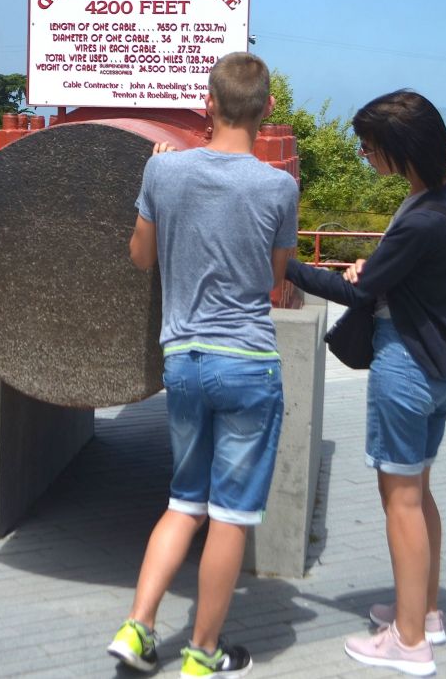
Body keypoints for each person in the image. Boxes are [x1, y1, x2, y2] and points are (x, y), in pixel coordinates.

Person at [107, 52, 298, 679]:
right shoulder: (278, 186)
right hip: (246, 361)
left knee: (183, 502)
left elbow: (140, 259)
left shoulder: (164, 174)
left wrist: (155, 187)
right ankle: (202, 653)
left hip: (182, 358)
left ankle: (138, 629)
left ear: (207, 104)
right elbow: (275, 279)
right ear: (267, 108)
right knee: (231, 516)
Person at [283, 90, 446, 676]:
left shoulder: (420, 220)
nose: (365, 157)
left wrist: (283, 262)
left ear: (397, 148)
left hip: (408, 365)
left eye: (369, 148)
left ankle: (409, 641)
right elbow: (414, 270)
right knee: (419, 492)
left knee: (400, 502)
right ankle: (426, 612)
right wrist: (384, 268)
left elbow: (356, 294)